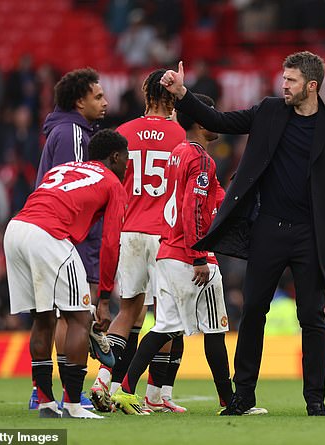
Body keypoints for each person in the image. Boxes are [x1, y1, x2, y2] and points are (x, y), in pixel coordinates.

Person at [160, 51, 325, 416]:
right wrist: (182, 94)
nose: (284, 85)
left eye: (291, 80)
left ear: (311, 86)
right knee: (253, 310)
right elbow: (218, 120)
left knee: (312, 316)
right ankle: (243, 396)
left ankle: (315, 400)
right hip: (268, 227)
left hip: (311, 233)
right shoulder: (269, 111)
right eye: (284, 78)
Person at [112, 94, 264, 416]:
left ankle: (124, 390)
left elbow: (210, 199)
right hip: (191, 254)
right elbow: (192, 208)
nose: (217, 119)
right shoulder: (201, 160)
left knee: (164, 327)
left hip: (167, 251)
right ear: (199, 121)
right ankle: (230, 402)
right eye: (211, 114)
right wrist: (199, 256)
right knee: (215, 329)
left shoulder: (178, 154)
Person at [4, 129, 128, 419]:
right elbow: (111, 243)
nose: (127, 166)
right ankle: (73, 404)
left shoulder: (64, 168)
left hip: (16, 230)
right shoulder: (112, 183)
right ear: (114, 157)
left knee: (43, 318)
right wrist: (104, 298)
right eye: (126, 159)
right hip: (48, 235)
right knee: (80, 319)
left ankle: (45, 402)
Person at [89, 69, 187, 413]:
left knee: (128, 310)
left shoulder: (124, 132)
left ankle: (103, 381)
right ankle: (155, 395)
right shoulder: (180, 135)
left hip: (129, 230)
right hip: (164, 234)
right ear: (172, 97)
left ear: (146, 94)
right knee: (165, 316)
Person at [30, 68, 109, 411]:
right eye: (98, 96)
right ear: (79, 102)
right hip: (65, 237)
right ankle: (68, 395)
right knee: (71, 315)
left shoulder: (62, 130)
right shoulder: (74, 134)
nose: (105, 102)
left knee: (49, 315)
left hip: (46, 232)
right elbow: (74, 191)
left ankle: (42, 394)